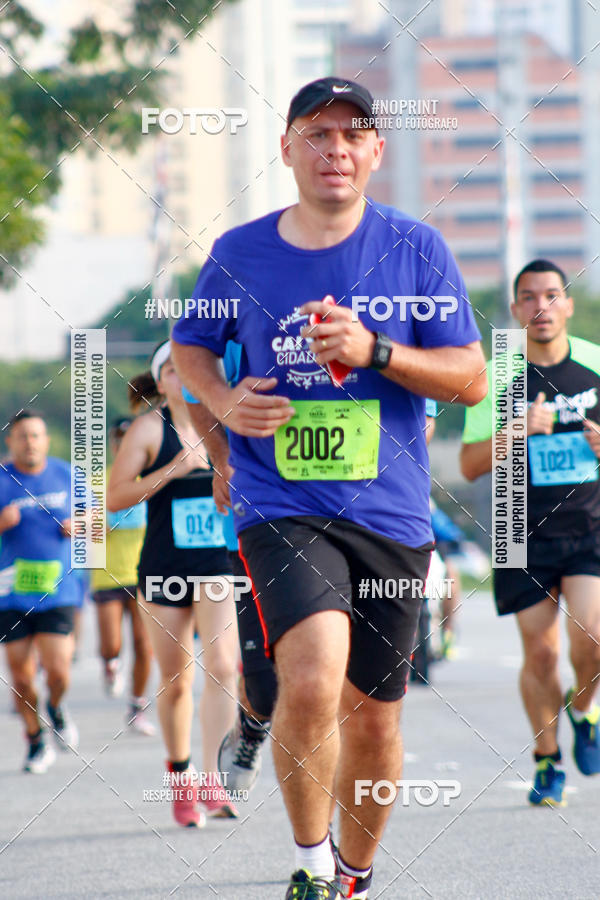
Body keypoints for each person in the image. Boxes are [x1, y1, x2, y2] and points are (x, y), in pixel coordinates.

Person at [172, 76, 486, 899]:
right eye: (317, 133)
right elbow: (190, 348)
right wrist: (222, 406)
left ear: (376, 150)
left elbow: (471, 379)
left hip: (390, 514)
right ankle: (311, 865)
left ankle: (354, 874)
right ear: (287, 149)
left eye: (352, 135)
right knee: (310, 682)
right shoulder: (239, 253)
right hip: (282, 505)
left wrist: (376, 351)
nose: (335, 150)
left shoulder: (417, 247)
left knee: (376, 718)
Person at [461, 258, 600, 807]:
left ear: (567, 304)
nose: (541, 306)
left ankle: (584, 710)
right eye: (529, 297)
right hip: (518, 525)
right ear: (516, 309)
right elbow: (469, 464)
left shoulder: (595, 363)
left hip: (589, 523)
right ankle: (548, 761)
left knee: (592, 639)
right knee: (540, 654)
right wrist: (515, 431)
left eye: (551, 295)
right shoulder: (496, 376)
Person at [107, 342, 239, 827]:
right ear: (160, 381)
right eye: (172, 370)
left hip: (217, 563)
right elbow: (115, 497)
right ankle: (181, 777)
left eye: (190, 368)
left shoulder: (229, 421)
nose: (182, 377)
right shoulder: (148, 429)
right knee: (177, 679)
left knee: (223, 668)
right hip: (164, 564)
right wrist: (174, 469)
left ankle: (214, 778)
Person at [183, 346, 276, 794]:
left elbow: (425, 417)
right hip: (257, 526)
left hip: (353, 519)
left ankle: (325, 830)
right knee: (266, 688)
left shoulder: (367, 320)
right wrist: (221, 459)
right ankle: (253, 726)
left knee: (338, 681)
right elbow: (194, 385)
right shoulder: (238, 324)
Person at [0, 410, 79, 773]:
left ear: (46, 440)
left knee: (58, 672)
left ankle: (56, 707)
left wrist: (79, 525)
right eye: (22, 436)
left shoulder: (66, 474)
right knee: (20, 677)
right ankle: (35, 740)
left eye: (35, 435)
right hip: (10, 593)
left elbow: (100, 521)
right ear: (10, 441)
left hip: (57, 591)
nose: (29, 442)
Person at [90, 418, 155, 735]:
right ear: (114, 446)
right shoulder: (96, 482)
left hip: (145, 571)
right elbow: (84, 531)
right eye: (120, 440)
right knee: (111, 644)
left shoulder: (154, 479)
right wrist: (99, 525)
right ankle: (109, 664)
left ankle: (136, 707)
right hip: (108, 574)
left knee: (145, 644)